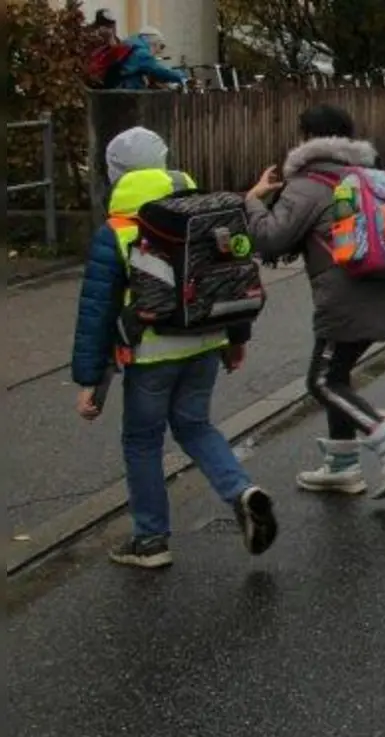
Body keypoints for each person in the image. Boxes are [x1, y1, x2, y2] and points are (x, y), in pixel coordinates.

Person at [71, 127, 278, 568]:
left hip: (151, 352)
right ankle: (243, 491)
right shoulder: (201, 212)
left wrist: (90, 380)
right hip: (206, 340)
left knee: (142, 441)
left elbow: (97, 310)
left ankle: (150, 540)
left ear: (115, 174)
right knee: (195, 426)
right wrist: (236, 339)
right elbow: (232, 273)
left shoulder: (117, 229)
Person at [244, 104, 385, 499]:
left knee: (322, 381)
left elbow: (270, 239)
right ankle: (342, 465)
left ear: (308, 138)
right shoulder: (368, 175)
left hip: (346, 298)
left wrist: (253, 200)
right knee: (337, 375)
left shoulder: (310, 182)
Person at [113, 27, 186, 90]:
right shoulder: (142, 53)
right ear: (154, 42)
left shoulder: (132, 44)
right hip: (128, 89)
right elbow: (158, 70)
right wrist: (181, 76)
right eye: (161, 46)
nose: (158, 52)